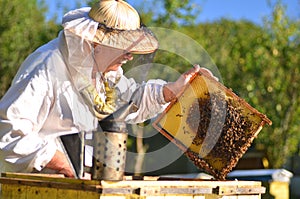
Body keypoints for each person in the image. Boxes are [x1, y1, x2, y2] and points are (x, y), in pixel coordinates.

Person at [0, 0, 213, 178]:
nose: (130, 55)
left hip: (82, 185)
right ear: (96, 42)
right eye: (125, 47)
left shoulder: (102, 71)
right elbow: (8, 130)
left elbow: (128, 100)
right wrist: (58, 160)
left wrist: (170, 91)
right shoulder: (46, 66)